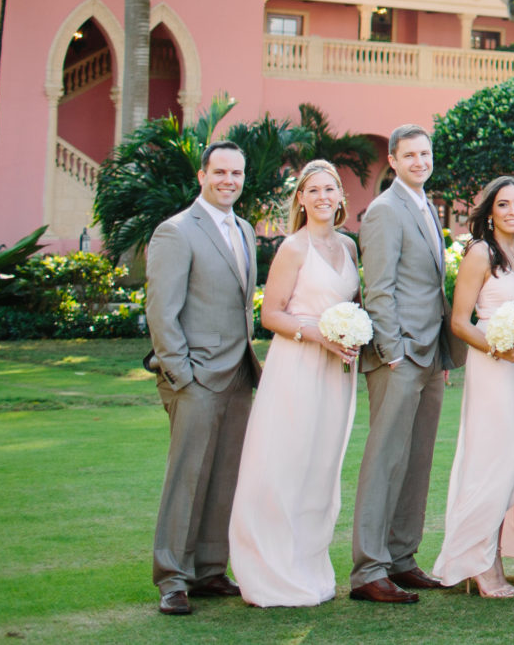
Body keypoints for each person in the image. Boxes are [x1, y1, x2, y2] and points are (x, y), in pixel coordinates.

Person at [228, 161, 361, 607]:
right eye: (313, 190)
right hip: (298, 365)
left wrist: (351, 332)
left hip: (336, 372)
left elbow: (352, 303)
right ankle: (270, 569)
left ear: (341, 197)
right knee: (286, 462)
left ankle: (307, 565)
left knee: (321, 467)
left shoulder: (349, 247)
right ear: (301, 199)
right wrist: (318, 334)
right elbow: (270, 315)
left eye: (330, 189)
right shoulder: (293, 248)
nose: (323, 196)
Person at [145, 140, 261, 615]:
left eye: (236, 174)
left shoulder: (246, 229)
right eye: (220, 173)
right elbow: (161, 310)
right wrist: (181, 374)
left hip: (238, 374)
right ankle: (172, 577)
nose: (228, 181)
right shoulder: (176, 232)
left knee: (224, 476)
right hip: (193, 376)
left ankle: (210, 569)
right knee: (186, 478)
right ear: (202, 175)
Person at [351, 124, 461, 604]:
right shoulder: (383, 211)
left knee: (417, 460)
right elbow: (379, 288)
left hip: (429, 351)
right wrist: (392, 350)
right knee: (385, 460)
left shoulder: (424, 207)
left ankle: (401, 557)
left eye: (425, 153)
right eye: (410, 155)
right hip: (398, 356)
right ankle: (368, 570)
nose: (420, 161)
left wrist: (436, 352)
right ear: (392, 160)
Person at [433, 176, 514, 596]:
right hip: (493, 370)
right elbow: (460, 322)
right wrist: (498, 349)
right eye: (504, 205)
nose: (513, 211)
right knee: (498, 461)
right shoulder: (481, 252)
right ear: (490, 211)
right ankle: (482, 562)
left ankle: (481, 555)